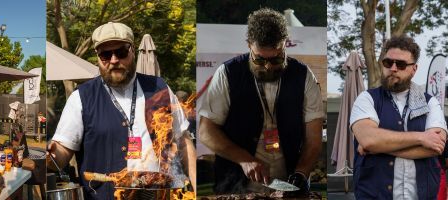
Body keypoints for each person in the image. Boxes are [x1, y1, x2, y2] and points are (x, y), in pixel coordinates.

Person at [48, 22, 197, 200]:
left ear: (132, 51)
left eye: (121, 52)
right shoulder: (81, 97)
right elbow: (63, 151)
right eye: (105, 54)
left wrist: (195, 189)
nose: (113, 60)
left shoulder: (160, 88)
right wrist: (51, 155)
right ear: (98, 57)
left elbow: (183, 141)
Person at [197, 8, 323, 195]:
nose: (268, 67)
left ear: (285, 45)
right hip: (235, 184)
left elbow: (314, 138)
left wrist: (301, 173)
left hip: (288, 182)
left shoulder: (304, 76)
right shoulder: (227, 74)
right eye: (260, 60)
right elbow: (206, 131)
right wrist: (244, 159)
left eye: (276, 60)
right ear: (249, 45)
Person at [350, 35, 446, 200]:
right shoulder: (367, 98)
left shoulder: (430, 103)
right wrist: (421, 137)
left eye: (400, 64)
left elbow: (435, 147)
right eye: (388, 62)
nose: (393, 68)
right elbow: (369, 140)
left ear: (414, 69)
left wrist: (379, 147)